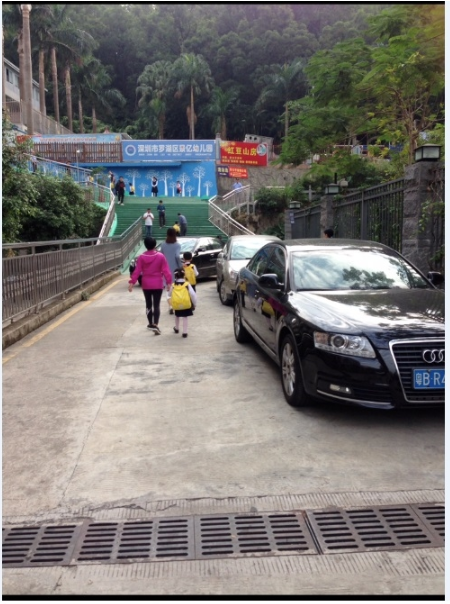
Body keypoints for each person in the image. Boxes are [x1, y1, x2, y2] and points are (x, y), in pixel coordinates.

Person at [128, 236, 172, 335]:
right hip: (158, 283)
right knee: (156, 305)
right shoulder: (160, 256)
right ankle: (155, 324)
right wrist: (169, 282)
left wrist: (132, 283)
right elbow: (166, 270)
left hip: (146, 283)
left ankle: (150, 323)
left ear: (145, 245)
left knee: (148, 304)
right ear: (155, 245)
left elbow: (137, 271)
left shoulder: (141, 257)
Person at [160, 227, 183, 314]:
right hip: (175, 269)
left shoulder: (163, 245)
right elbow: (177, 256)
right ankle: (177, 304)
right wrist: (180, 266)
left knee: (167, 288)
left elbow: (161, 256)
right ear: (175, 234)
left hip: (165, 270)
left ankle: (170, 306)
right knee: (176, 288)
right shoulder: (177, 245)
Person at [172, 268, 197, 339]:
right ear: (184, 275)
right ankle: (185, 332)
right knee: (185, 317)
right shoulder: (187, 284)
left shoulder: (173, 285)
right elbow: (193, 294)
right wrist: (194, 303)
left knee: (177, 315)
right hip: (186, 303)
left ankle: (177, 328)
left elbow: (169, 294)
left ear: (175, 276)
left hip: (177, 303)